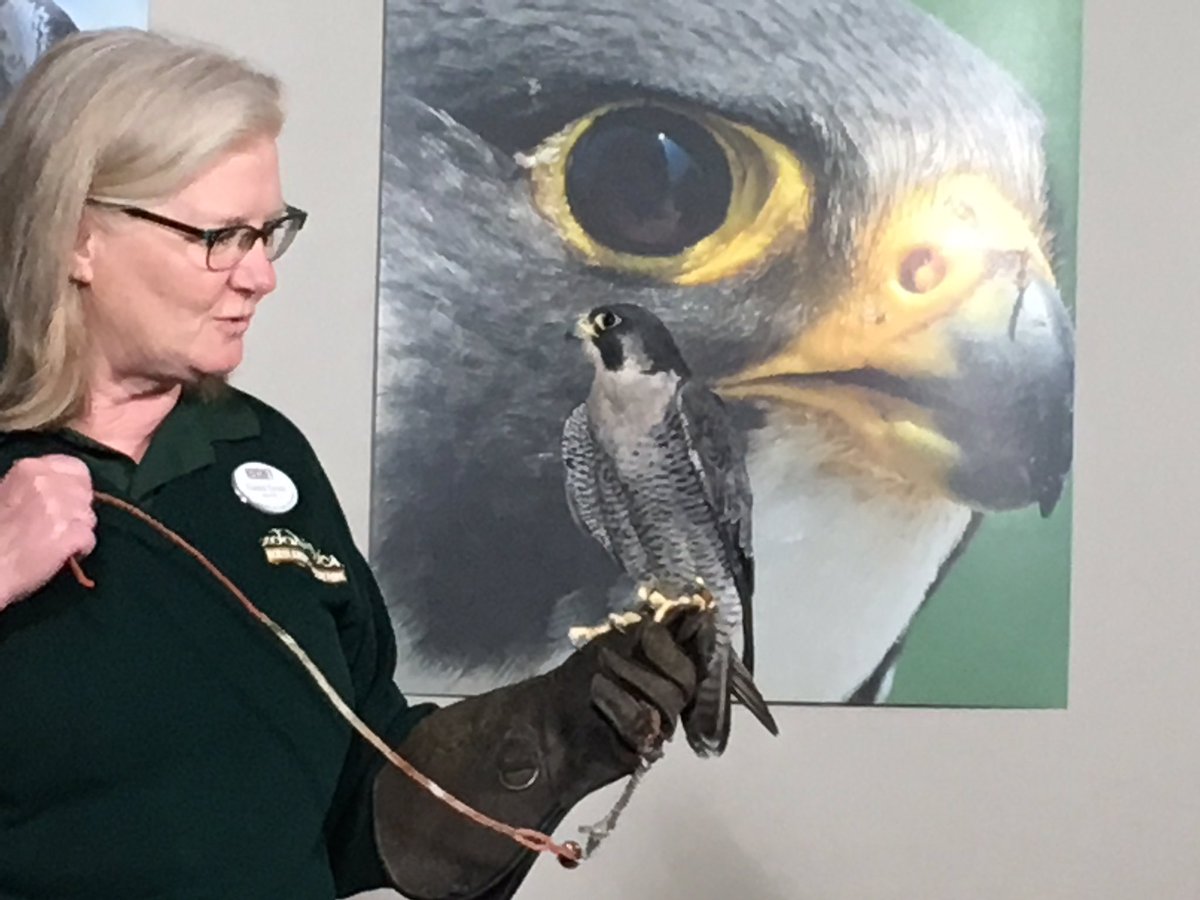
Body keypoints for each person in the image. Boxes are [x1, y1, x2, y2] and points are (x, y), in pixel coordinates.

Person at [0, 28, 705, 900]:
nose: (260, 276)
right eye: (220, 236)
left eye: (269, 233)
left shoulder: (261, 458)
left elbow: (360, 806)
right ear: (78, 237)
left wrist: (556, 731)